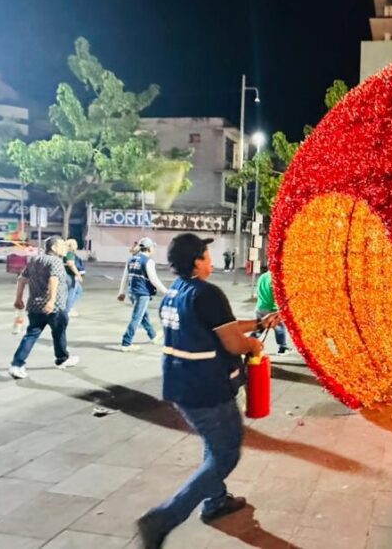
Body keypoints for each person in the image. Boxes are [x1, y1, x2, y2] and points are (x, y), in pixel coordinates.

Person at [136, 233, 280, 548]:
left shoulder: (177, 292)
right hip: (206, 390)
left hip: (182, 385)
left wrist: (257, 325)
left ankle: (215, 501)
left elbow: (221, 326)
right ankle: (164, 517)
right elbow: (231, 341)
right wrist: (253, 344)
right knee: (226, 454)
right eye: (207, 255)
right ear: (198, 262)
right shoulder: (207, 293)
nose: (211, 260)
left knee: (213, 444)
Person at [9, 236, 79, 379]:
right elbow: (54, 279)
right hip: (54, 307)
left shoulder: (35, 260)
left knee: (31, 335)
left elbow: (22, 279)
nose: (65, 247)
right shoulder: (56, 261)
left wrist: (18, 299)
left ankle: (17, 364)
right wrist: (51, 301)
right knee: (59, 333)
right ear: (53, 248)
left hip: (34, 306)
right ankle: (62, 359)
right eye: (61, 245)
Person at [117, 237, 169, 351]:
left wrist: (121, 292)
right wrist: (166, 292)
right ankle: (126, 342)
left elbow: (125, 277)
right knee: (137, 317)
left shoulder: (131, 259)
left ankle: (153, 335)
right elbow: (154, 280)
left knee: (143, 316)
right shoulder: (148, 261)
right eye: (153, 247)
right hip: (142, 293)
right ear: (149, 248)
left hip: (132, 292)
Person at [254, 266, 290, 354]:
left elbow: (258, 291)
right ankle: (282, 348)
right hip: (272, 308)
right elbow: (277, 294)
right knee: (279, 328)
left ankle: (248, 344)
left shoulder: (262, 276)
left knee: (259, 327)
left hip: (260, 306)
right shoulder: (276, 278)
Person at [64, 239, 85, 317]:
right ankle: (67, 310)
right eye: (75, 244)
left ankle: (70, 307)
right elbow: (70, 264)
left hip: (68, 275)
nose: (76, 246)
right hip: (70, 276)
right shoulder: (70, 253)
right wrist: (78, 274)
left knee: (79, 291)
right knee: (71, 293)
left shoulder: (65, 253)